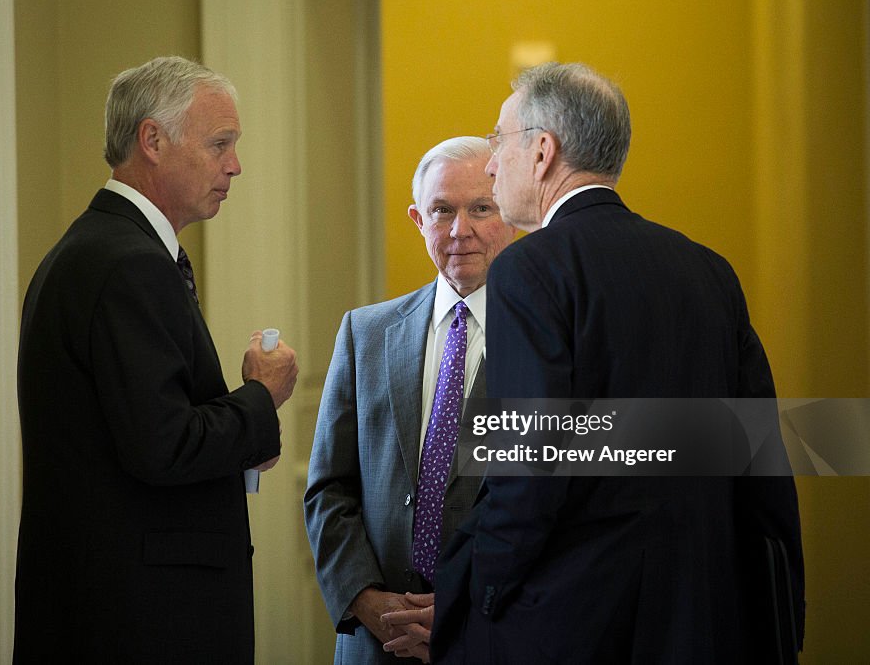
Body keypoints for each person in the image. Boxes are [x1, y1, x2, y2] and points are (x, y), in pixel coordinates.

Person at [430, 62, 805, 663]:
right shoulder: (709, 270)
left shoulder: (530, 270)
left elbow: (530, 465)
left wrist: (484, 589)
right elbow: (760, 456)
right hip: (703, 619)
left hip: (567, 623)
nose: (493, 162)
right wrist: (780, 605)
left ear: (543, 151)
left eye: (499, 140)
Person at [14, 56, 298, 663]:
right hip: (142, 619)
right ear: (153, 140)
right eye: (220, 143)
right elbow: (162, 445)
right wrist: (259, 397)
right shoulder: (127, 263)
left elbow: (139, 427)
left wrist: (245, 437)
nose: (235, 165)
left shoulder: (101, 248)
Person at [304, 136, 516, 663]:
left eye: (481, 209)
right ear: (418, 220)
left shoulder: (547, 342)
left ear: (509, 216)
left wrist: (464, 612)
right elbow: (329, 489)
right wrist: (367, 601)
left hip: (491, 639)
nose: (459, 230)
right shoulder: (365, 332)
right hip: (377, 642)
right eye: (442, 210)